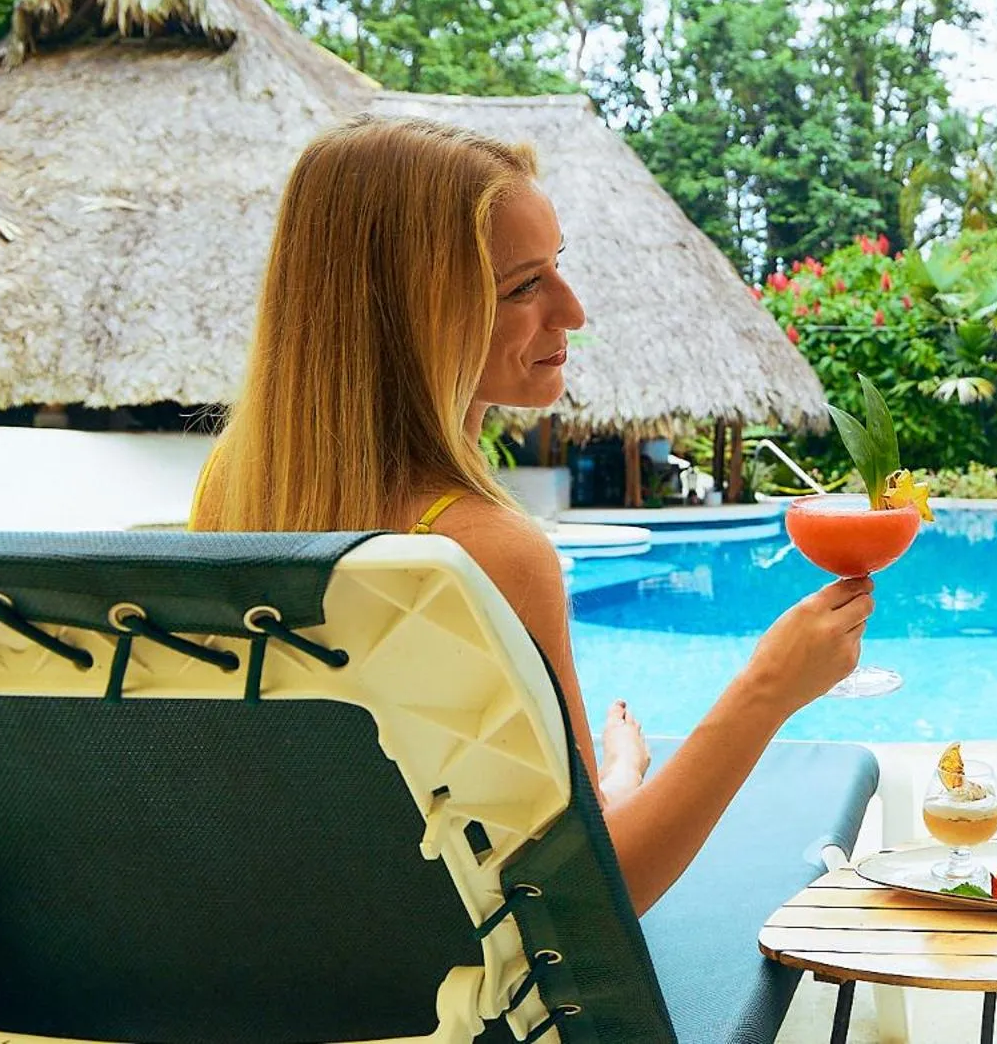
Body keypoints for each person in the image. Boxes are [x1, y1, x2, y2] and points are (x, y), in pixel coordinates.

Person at [191, 115, 874, 913]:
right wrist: (769, 686)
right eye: (523, 286)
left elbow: (443, 815)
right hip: (481, 1009)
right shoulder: (483, 550)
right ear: (412, 316)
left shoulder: (234, 490)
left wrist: (616, 778)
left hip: (306, 962)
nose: (573, 310)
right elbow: (600, 890)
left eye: (558, 268)